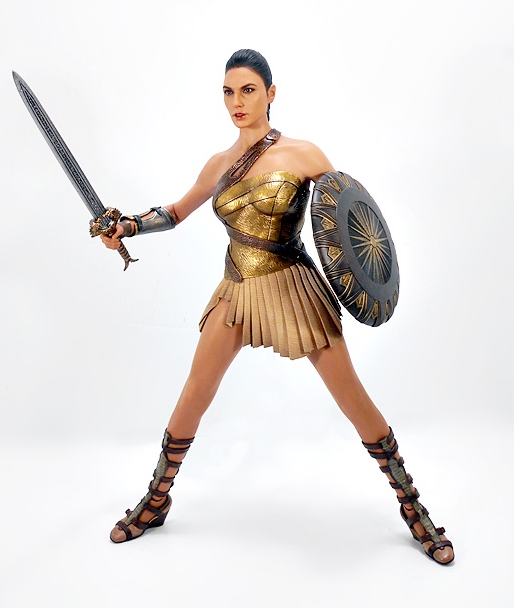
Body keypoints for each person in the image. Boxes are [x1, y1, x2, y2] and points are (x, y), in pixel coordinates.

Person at [100, 49, 454, 565]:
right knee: (195, 392)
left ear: (270, 93)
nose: (237, 102)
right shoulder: (217, 165)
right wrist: (128, 226)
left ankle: (412, 505)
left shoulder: (302, 154)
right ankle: (156, 500)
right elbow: (175, 212)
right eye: (228, 92)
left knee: (352, 396)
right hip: (236, 290)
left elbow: (346, 217)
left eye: (248, 90)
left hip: (293, 289)